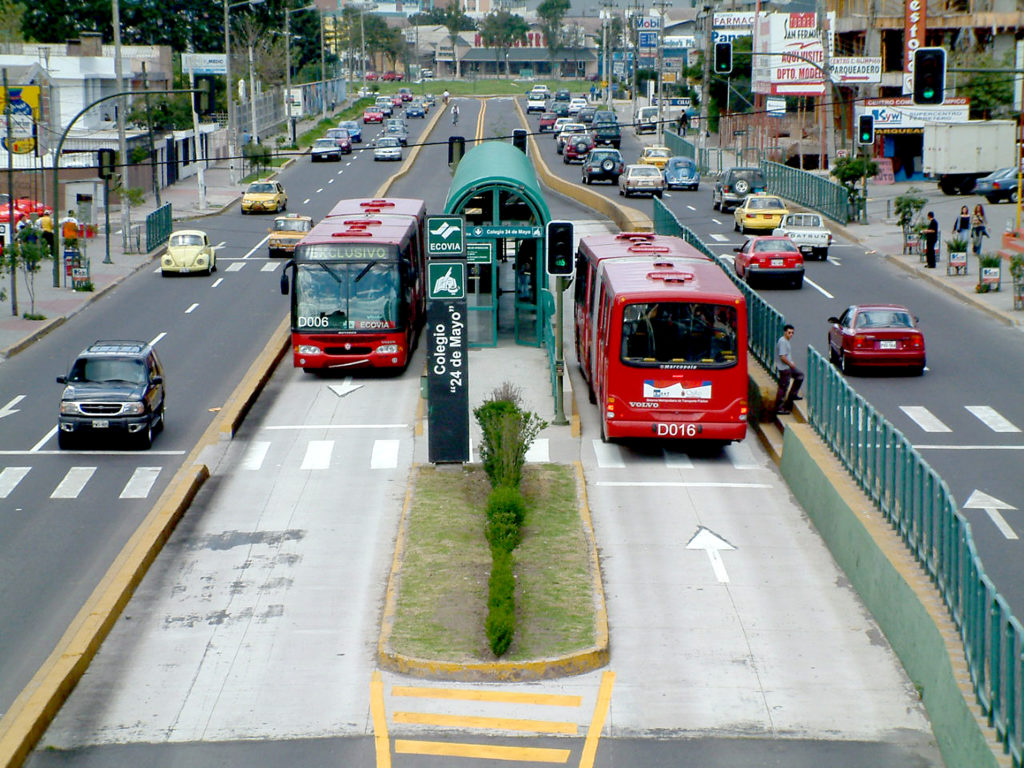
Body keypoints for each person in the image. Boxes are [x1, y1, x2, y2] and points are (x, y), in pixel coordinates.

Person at [774, 324, 804, 416]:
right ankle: (779, 408)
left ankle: (792, 395)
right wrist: (791, 364)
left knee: (800, 376)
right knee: (783, 387)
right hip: (784, 368)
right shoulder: (783, 342)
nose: (791, 335)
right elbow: (782, 357)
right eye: (789, 332)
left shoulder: (786, 341)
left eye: (792, 333)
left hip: (788, 367)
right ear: (785, 332)